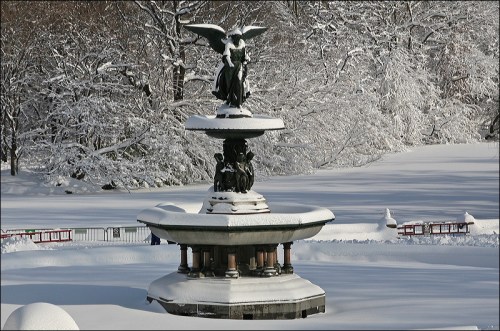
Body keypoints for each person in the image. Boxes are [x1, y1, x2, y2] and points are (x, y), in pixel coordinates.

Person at [212, 29, 251, 108]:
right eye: (235, 38)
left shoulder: (242, 44)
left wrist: (246, 59)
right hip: (230, 68)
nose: (237, 39)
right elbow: (226, 56)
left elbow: (244, 56)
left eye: (238, 38)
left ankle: (238, 103)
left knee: (239, 83)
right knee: (229, 85)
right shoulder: (228, 44)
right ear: (233, 38)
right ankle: (229, 100)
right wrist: (229, 62)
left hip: (239, 67)